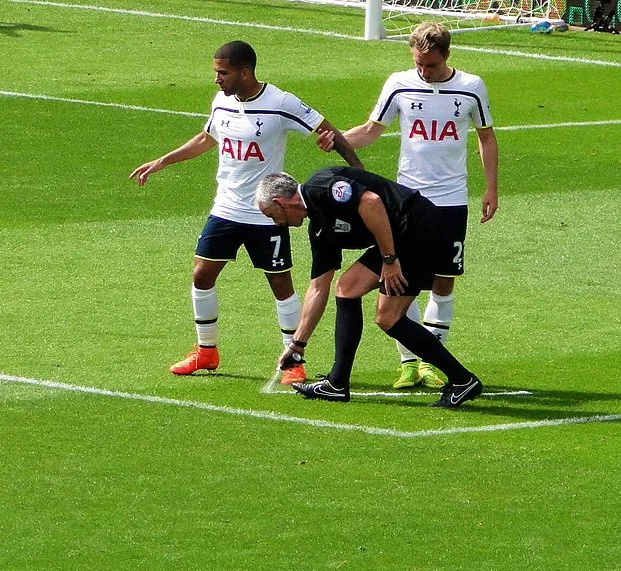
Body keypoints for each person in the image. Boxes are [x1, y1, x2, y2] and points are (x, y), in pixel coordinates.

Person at [129, 40, 361, 384]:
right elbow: (207, 138)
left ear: (244, 71)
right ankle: (206, 351)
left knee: (280, 284)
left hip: (265, 213)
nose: (216, 79)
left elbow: (329, 131)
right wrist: (163, 161)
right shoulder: (221, 102)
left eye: (222, 72)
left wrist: (358, 175)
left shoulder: (280, 103)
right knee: (201, 275)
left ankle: (294, 360)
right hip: (225, 207)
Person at [319, 22, 498, 390]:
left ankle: (434, 360)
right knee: (398, 277)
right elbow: (371, 130)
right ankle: (409, 362)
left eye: (430, 65)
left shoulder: (470, 88)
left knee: (442, 282)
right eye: (418, 63)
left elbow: (486, 137)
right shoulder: (399, 83)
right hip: (407, 204)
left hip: (450, 201)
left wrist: (490, 188)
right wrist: (337, 140)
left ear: (446, 56)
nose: (424, 71)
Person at [255, 167, 482, 409]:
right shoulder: (320, 229)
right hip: (401, 238)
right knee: (346, 288)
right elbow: (318, 288)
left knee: (388, 317)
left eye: (273, 215)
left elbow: (371, 202)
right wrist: (297, 344)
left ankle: (462, 380)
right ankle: (337, 384)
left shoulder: (320, 187)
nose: (277, 223)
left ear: (281, 202)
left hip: (418, 229)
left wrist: (389, 259)